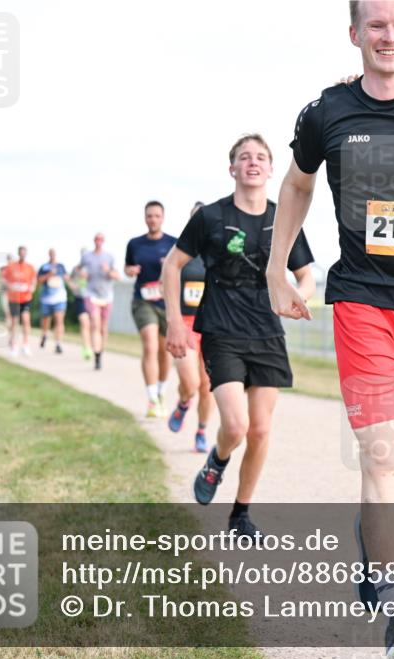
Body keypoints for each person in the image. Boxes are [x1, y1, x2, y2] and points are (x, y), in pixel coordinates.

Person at [266, 1, 394, 659]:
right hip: (362, 301)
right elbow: (296, 186)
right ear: (354, 33)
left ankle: (377, 541)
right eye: (375, 25)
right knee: (381, 458)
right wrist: (278, 268)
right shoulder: (325, 112)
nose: (388, 36)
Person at [164, 134, 316, 544]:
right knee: (235, 424)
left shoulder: (282, 218)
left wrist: (299, 297)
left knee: (261, 431)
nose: (252, 162)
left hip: (267, 332)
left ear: (270, 169)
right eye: (243, 157)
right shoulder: (210, 217)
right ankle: (218, 458)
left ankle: (240, 514)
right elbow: (171, 265)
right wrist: (175, 323)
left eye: (261, 157)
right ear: (232, 169)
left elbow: (306, 274)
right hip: (221, 329)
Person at [167, 202, 216, 452]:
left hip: (210, 326)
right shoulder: (180, 251)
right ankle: (184, 402)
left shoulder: (218, 250)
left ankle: (201, 431)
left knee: (208, 385)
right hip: (185, 324)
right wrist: (173, 321)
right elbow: (168, 281)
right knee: (191, 382)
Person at [126, 201, 178, 417]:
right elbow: (128, 267)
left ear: (163, 218)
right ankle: (151, 399)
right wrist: (130, 270)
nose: (153, 219)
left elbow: (182, 269)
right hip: (143, 301)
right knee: (149, 346)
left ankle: (161, 391)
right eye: (149, 216)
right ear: (145, 218)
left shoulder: (174, 243)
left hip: (166, 303)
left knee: (165, 352)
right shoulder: (135, 244)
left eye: (156, 216)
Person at [81, 234, 120, 370]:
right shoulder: (87, 257)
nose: (98, 242)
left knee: (103, 327)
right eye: (96, 239)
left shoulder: (109, 257)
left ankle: (100, 353)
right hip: (91, 294)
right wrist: (82, 274)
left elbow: (117, 276)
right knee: (95, 324)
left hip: (106, 296)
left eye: (101, 240)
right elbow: (79, 270)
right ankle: (96, 354)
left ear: (103, 241)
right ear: (94, 241)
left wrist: (108, 271)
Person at [3, 246, 37, 356]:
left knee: (26, 320)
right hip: (14, 298)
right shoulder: (11, 266)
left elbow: (34, 280)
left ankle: (26, 344)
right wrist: (11, 286)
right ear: (18, 253)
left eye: (24, 253)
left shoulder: (30, 267)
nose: (22, 255)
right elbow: (4, 280)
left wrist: (32, 287)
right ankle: (14, 345)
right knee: (14, 322)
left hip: (26, 297)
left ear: (26, 254)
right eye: (21, 253)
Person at [37, 249, 68, 354]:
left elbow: (67, 278)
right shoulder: (44, 267)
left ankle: (58, 343)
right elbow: (39, 280)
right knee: (46, 319)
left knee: (59, 320)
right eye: (51, 254)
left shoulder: (61, 266)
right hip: (46, 297)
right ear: (49, 255)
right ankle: (45, 334)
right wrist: (49, 275)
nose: (52, 255)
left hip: (59, 297)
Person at [68, 251, 93, 360]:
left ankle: (93, 346)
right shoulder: (76, 269)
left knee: (92, 325)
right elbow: (70, 280)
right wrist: (73, 286)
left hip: (92, 299)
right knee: (84, 322)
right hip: (80, 298)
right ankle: (86, 348)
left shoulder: (92, 268)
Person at [0, 253, 13, 324]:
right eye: (8, 259)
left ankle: (11, 322)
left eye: (10, 259)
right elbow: (0, 279)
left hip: (13, 293)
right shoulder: (3, 269)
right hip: (5, 292)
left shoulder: (15, 269)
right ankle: (8, 321)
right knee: (6, 308)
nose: (9, 260)